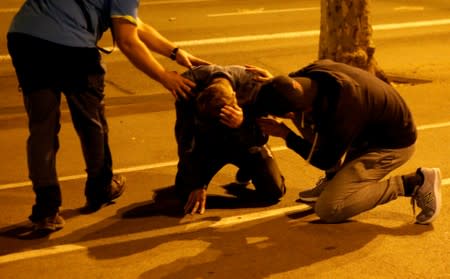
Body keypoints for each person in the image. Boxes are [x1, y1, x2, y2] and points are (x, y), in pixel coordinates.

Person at [6, 0, 209, 232]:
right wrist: (164, 76)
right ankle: (99, 188)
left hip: (25, 37)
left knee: (42, 127)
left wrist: (174, 52)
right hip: (72, 49)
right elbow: (126, 40)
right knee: (91, 121)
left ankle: (46, 209)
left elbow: (131, 23)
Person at [251, 59, 441, 224]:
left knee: (330, 208)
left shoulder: (344, 108)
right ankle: (333, 181)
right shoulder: (311, 73)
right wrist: (274, 86)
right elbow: (287, 90)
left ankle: (413, 183)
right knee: (312, 123)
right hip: (367, 132)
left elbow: (324, 160)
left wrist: (286, 134)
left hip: (391, 145)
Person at [175, 65, 286, 214]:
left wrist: (242, 124)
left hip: (245, 143)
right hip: (207, 144)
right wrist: (198, 184)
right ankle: (200, 180)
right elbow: (185, 137)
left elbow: (261, 138)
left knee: (273, 192)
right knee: (184, 192)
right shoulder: (188, 85)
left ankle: (249, 168)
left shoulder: (255, 84)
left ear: (235, 97)